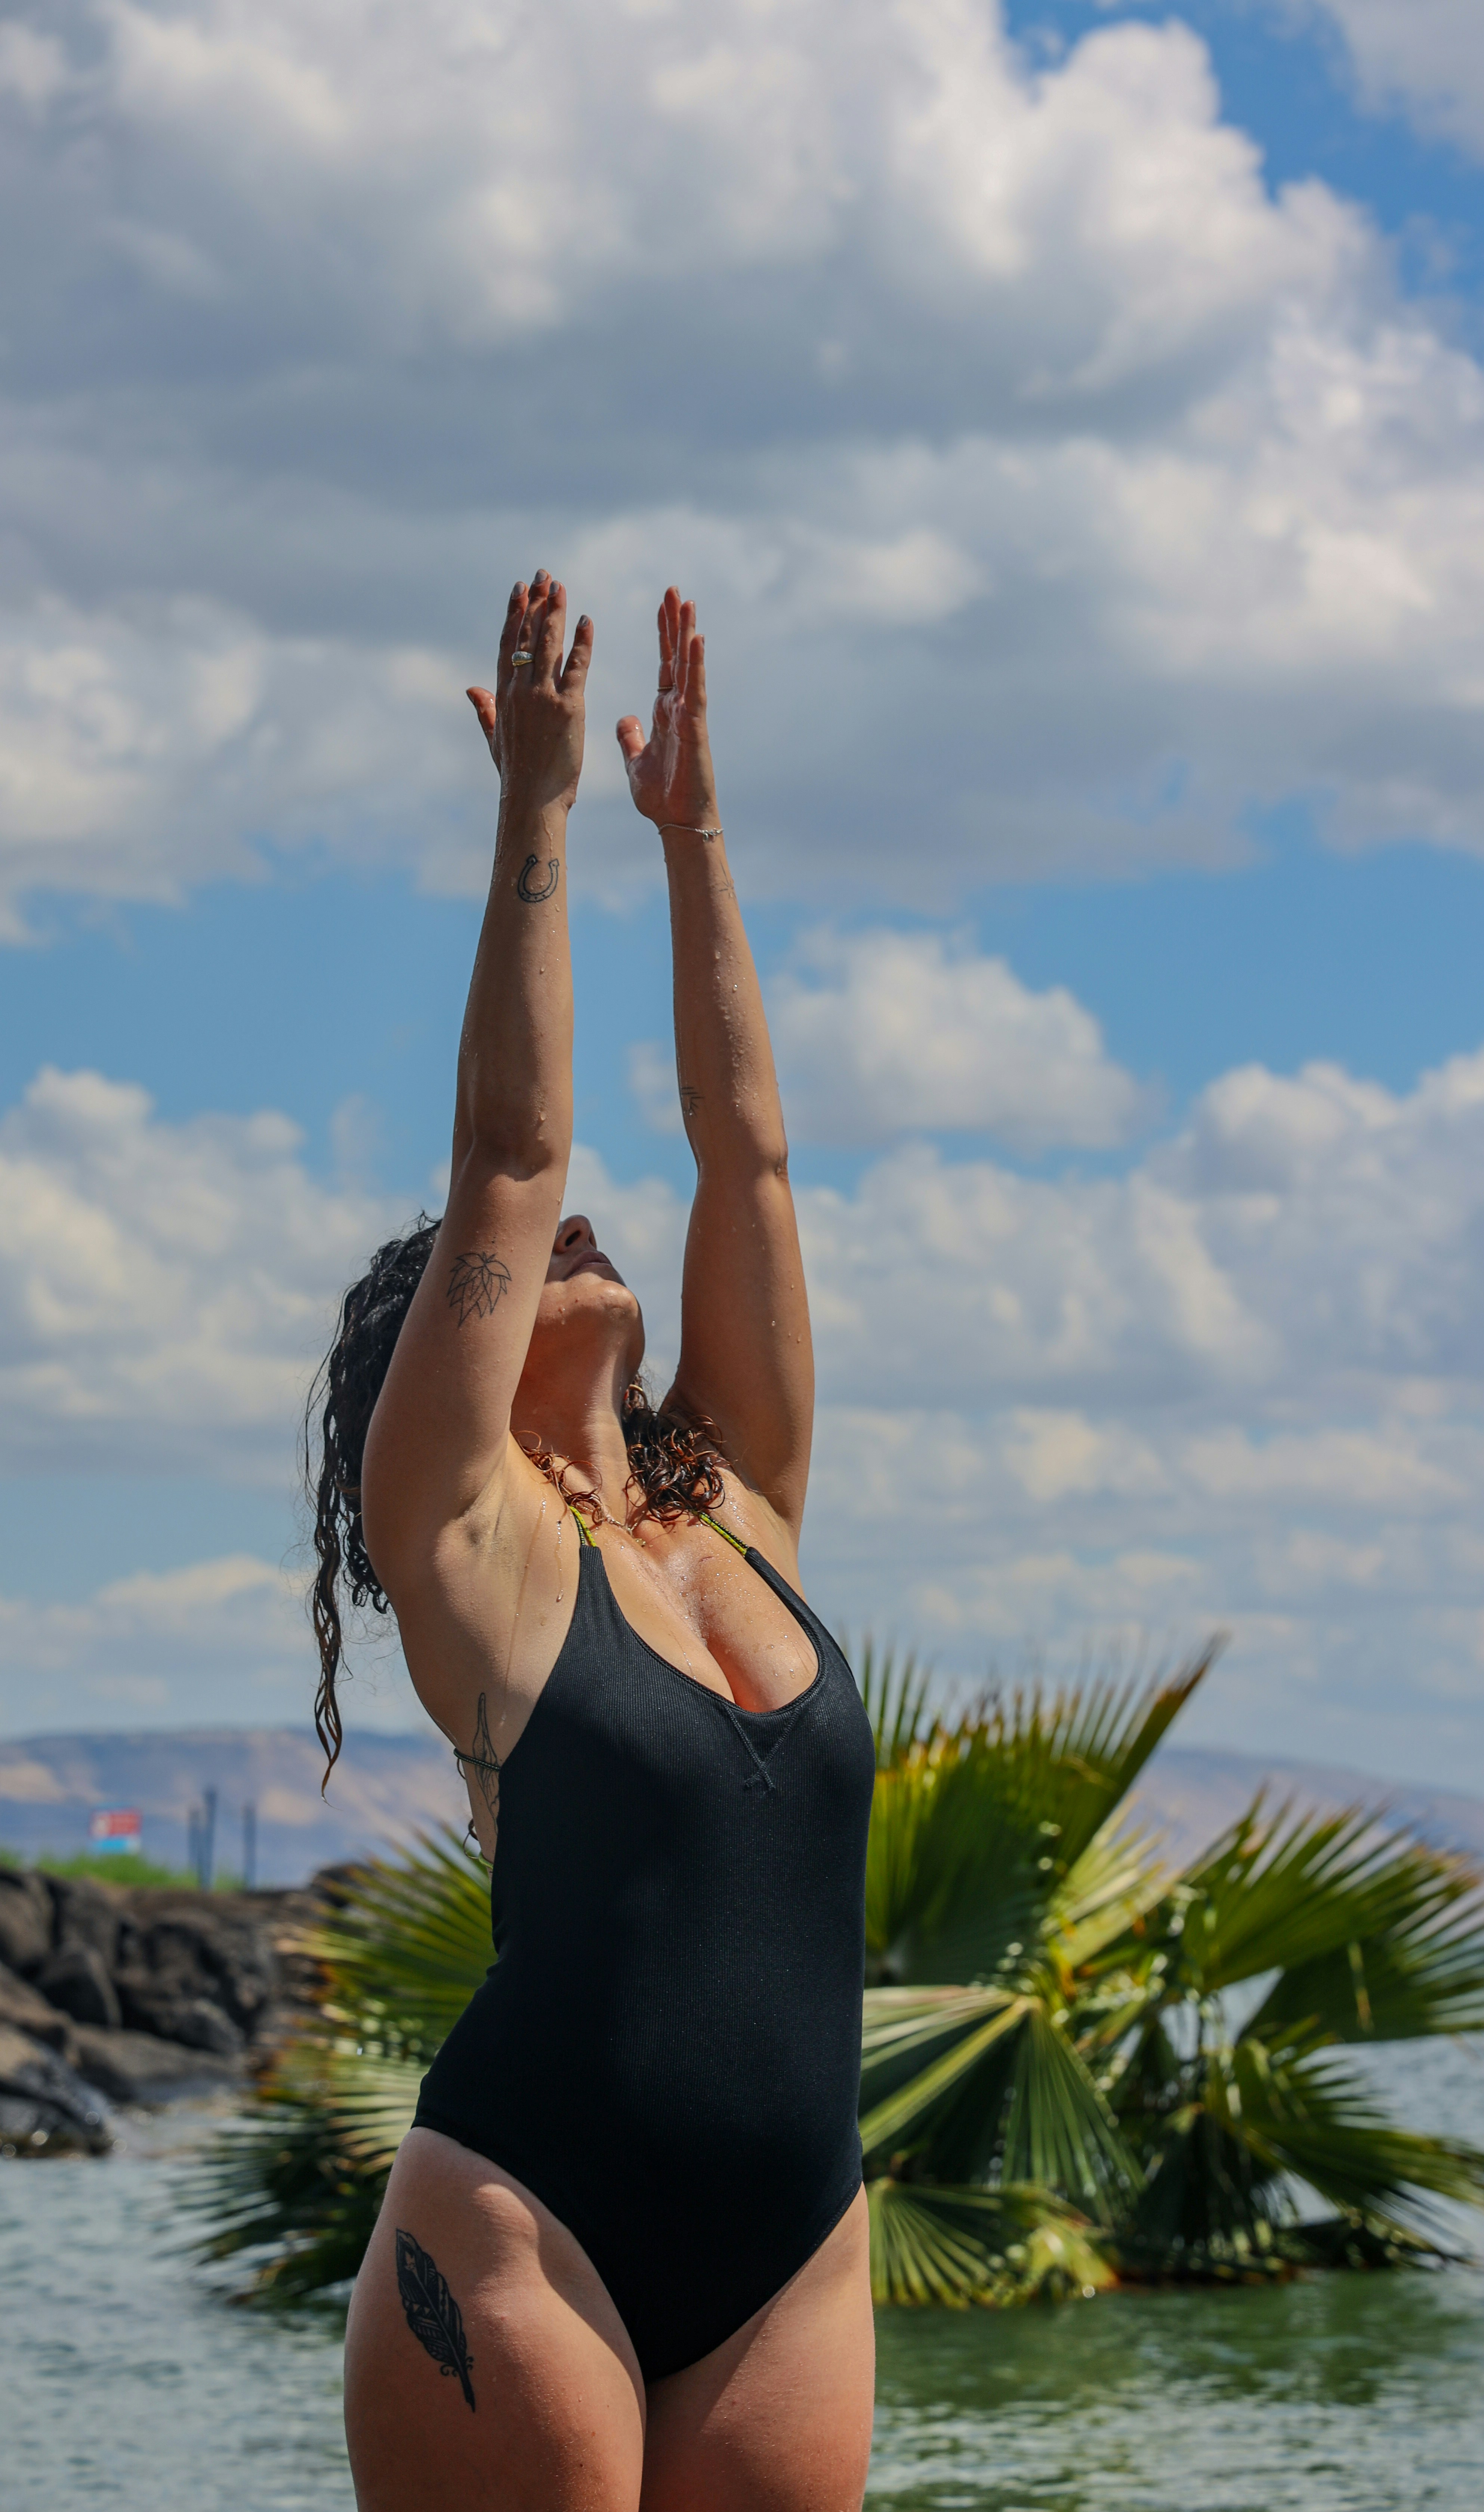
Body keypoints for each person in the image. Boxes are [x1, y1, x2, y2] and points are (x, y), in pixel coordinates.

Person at [307, 573, 877, 2511]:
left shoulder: (744, 1501)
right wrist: (534, 814)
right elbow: (506, 1156)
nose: (579, 1229)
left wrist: (694, 835)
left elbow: (752, 1154)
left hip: (795, 2233)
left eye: (578, 1233)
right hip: (523, 2231)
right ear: (433, 1360)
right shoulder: (462, 1540)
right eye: (538, 1258)